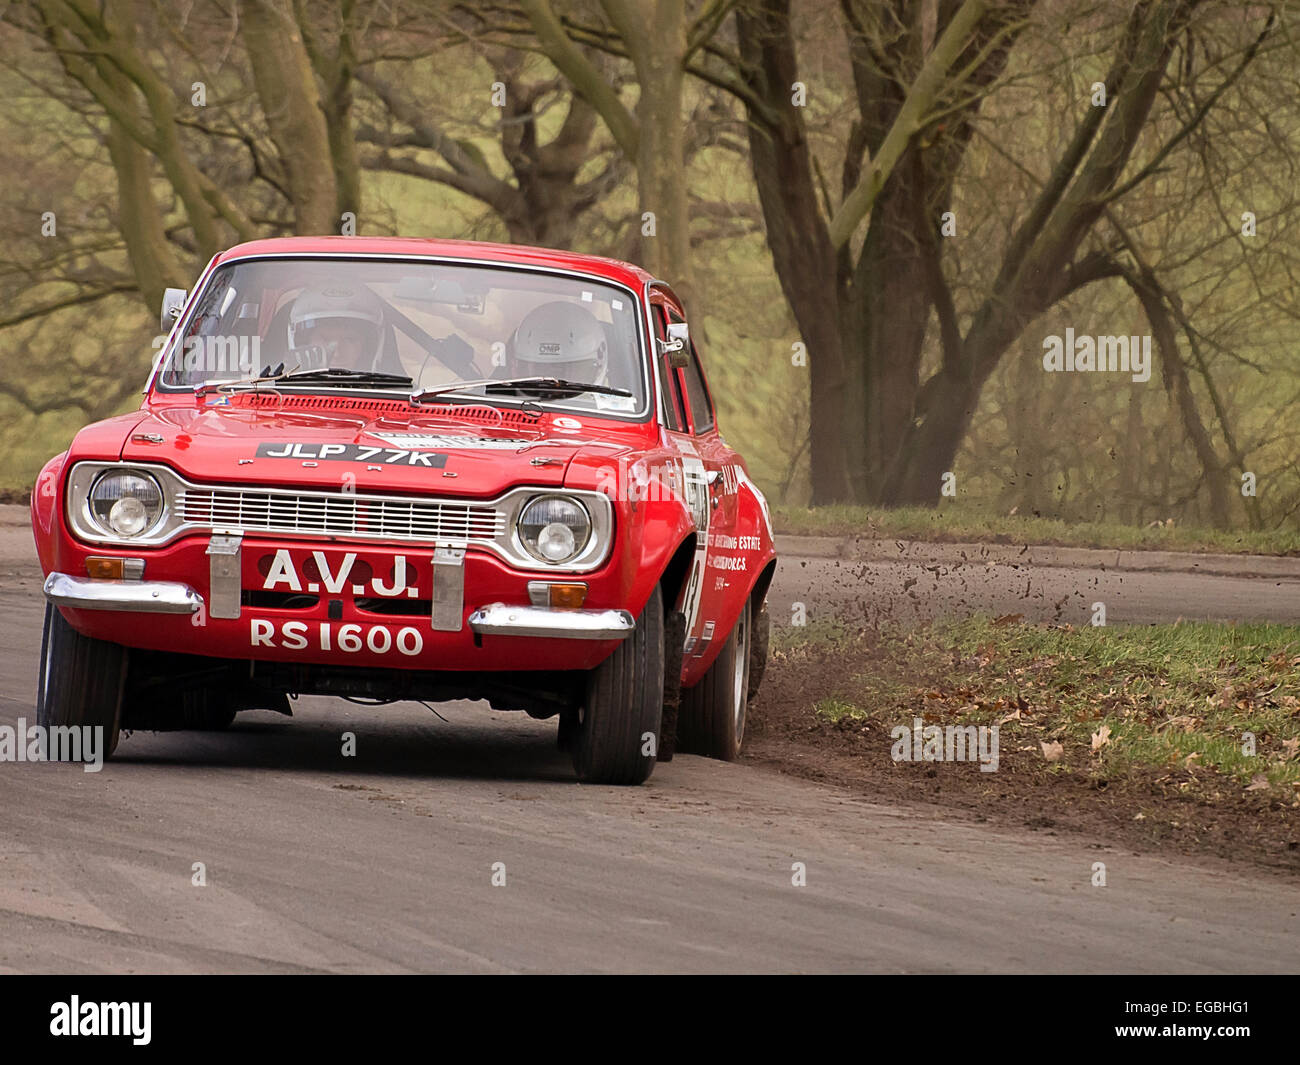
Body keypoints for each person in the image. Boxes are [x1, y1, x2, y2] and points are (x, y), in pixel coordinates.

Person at [287, 286, 387, 372]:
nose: (337, 354)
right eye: (325, 339)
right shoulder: (277, 390)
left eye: (350, 340)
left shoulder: (394, 390)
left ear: (367, 347)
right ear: (304, 342)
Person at [507, 300, 609, 385]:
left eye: (559, 371)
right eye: (539, 369)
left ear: (597, 365)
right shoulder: (497, 395)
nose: (551, 385)